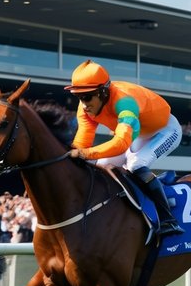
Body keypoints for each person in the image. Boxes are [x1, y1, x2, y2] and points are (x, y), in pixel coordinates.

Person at [64, 60, 183, 238]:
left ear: (103, 92)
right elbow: (82, 142)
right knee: (101, 166)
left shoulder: (125, 102)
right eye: (79, 97)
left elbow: (121, 143)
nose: (83, 103)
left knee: (136, 164)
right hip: (139, 134)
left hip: (166, 130)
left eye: (87, 96)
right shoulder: (85, 109)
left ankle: (168, 220)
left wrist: (85, 154)